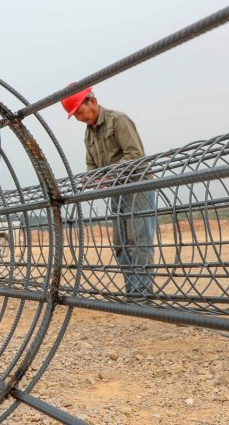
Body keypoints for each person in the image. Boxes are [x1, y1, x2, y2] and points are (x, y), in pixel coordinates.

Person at [61, 86, 156, 299]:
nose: (79, 117)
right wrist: (90, 179)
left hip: (137, 186)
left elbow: (135, 155)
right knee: (121, 243)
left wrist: (108, 177)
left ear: (91, 101)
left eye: (79, 111)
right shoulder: (89, 133)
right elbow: (91, 164)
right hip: (116, 191)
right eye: (75, 115)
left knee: (138, 239)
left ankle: (142, 294)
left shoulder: (118, 121)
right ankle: (132, 292)